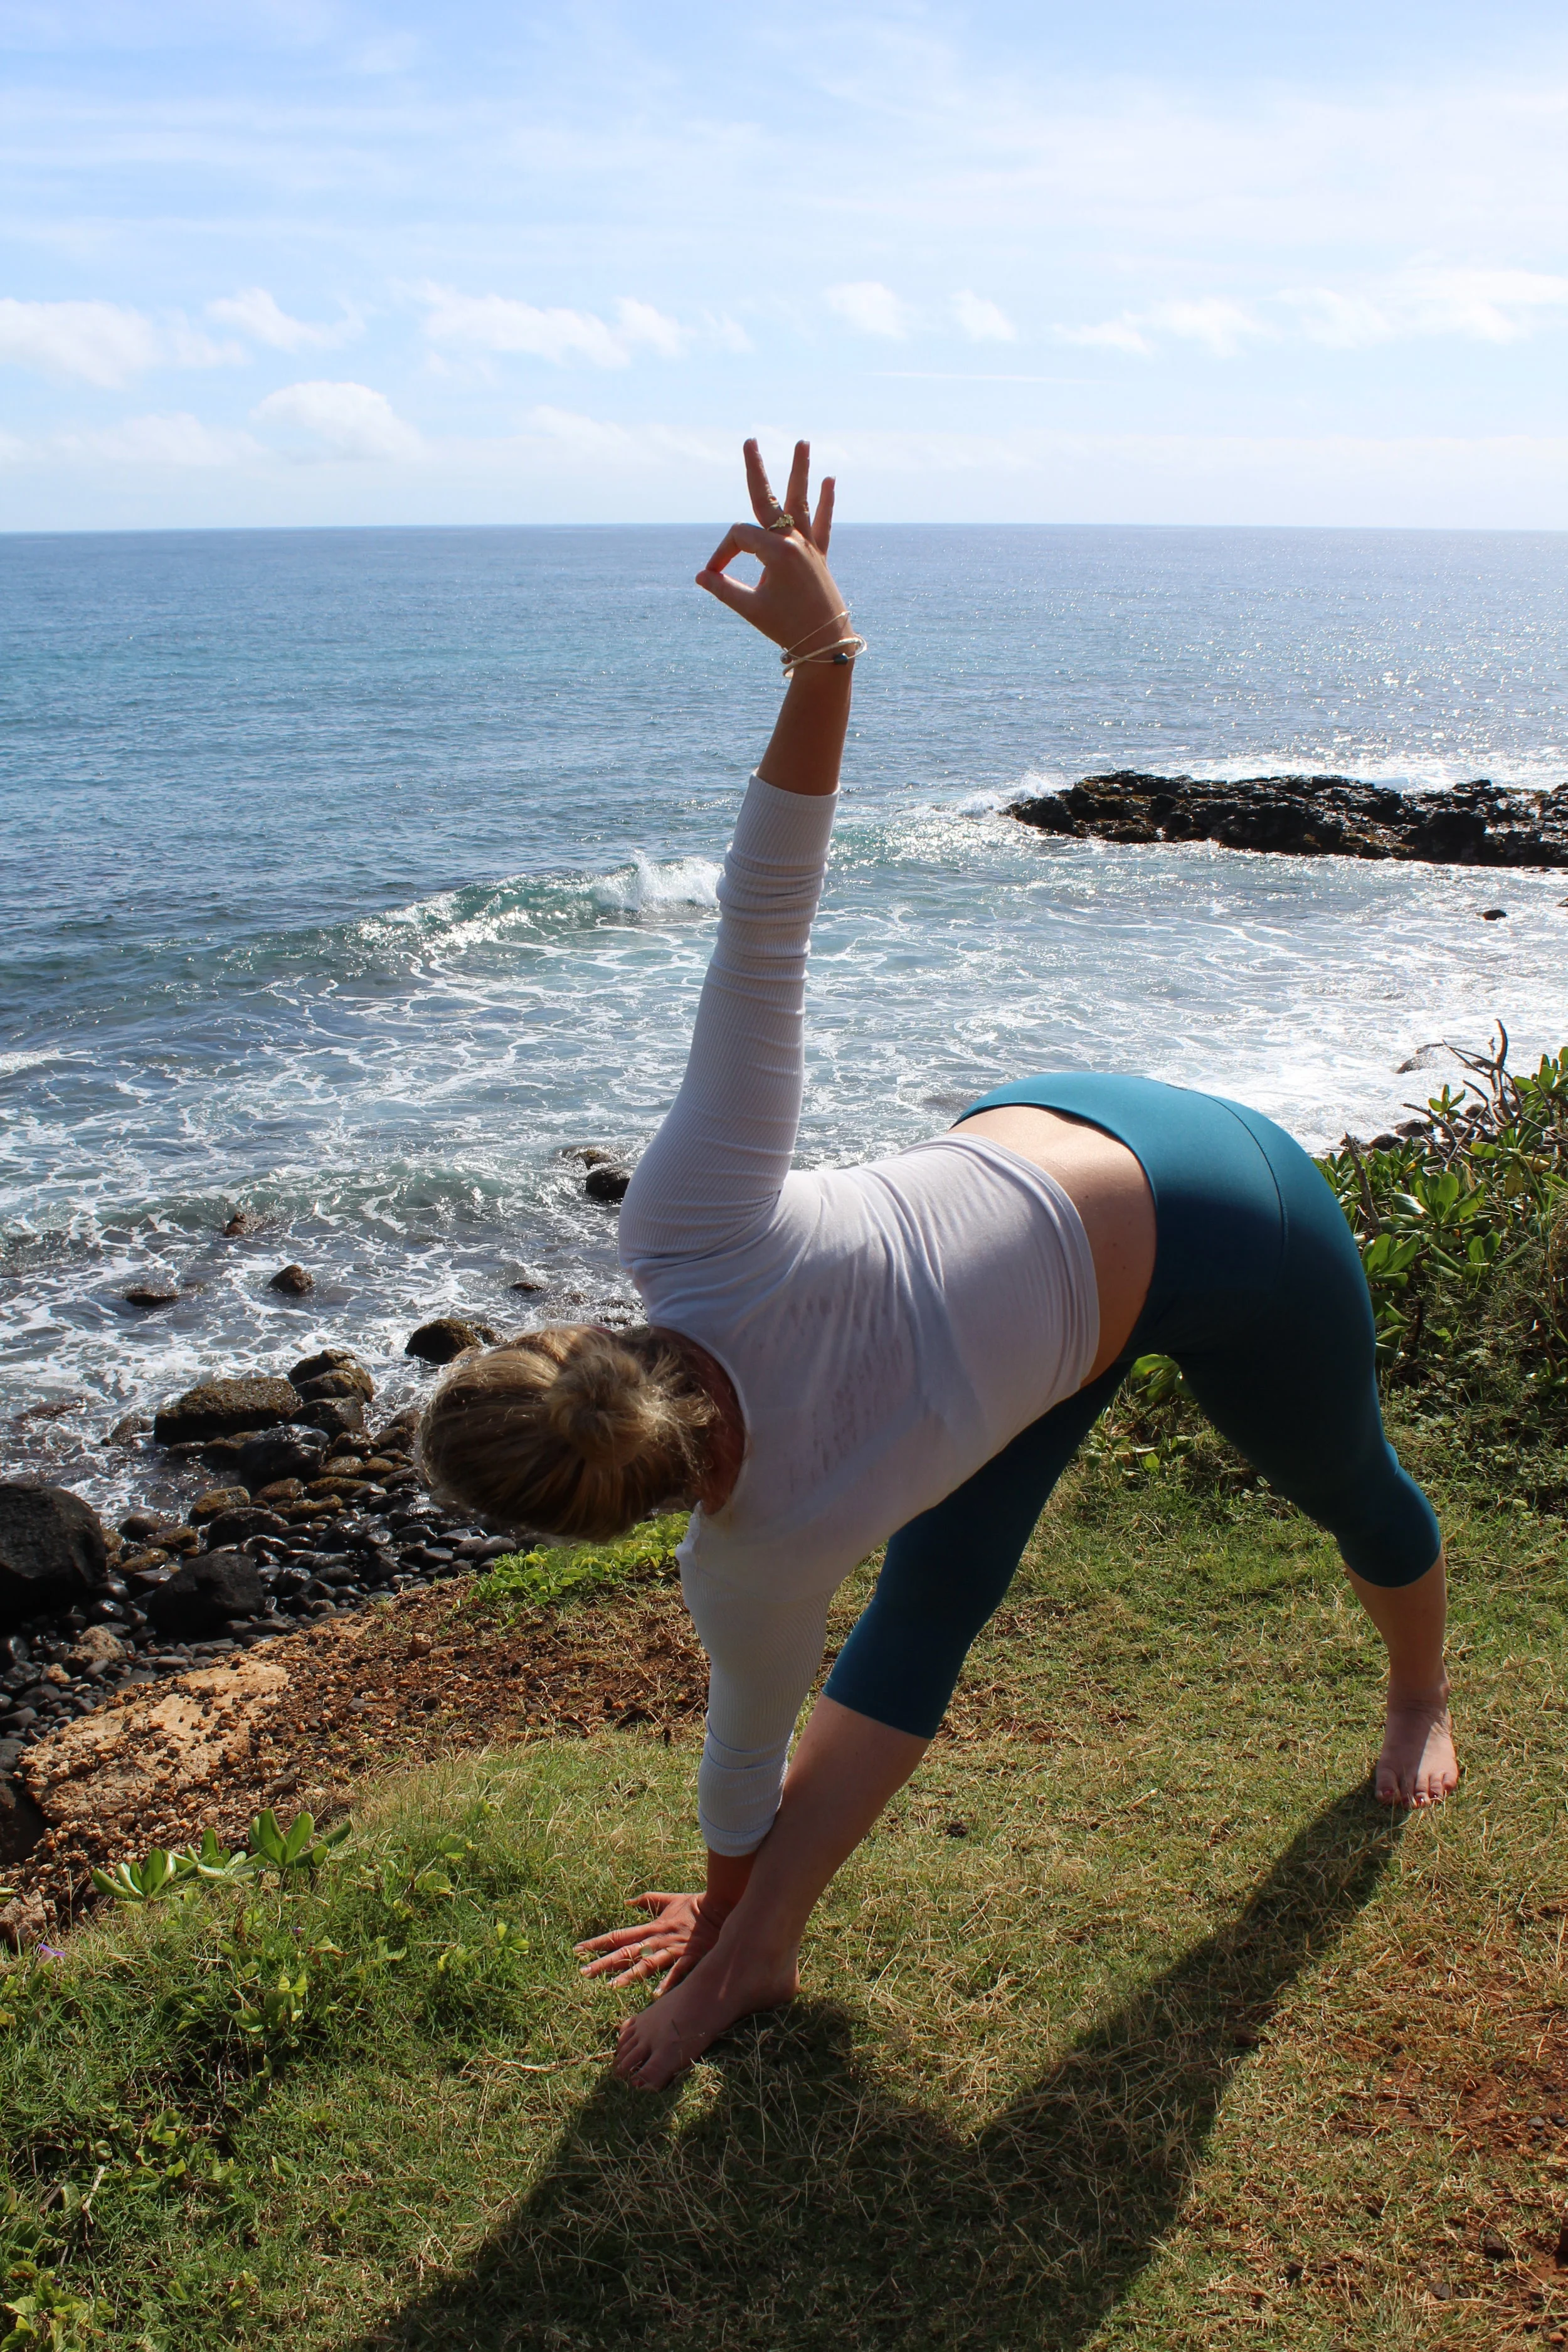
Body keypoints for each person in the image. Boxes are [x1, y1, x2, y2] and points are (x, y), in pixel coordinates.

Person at [418, 439, 1456, 2093]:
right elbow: (759, 924)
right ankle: (752, 1964)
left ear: (608, 1523)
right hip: (1032, 1224)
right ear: (564, 1336)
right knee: (932, 1589)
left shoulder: (737, 1542)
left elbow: (740, 1766)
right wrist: (826, 659)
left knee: (1341, 1480)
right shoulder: (678, 1239)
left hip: (1221, 1213)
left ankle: (1416, 1690)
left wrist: (725, 1879)